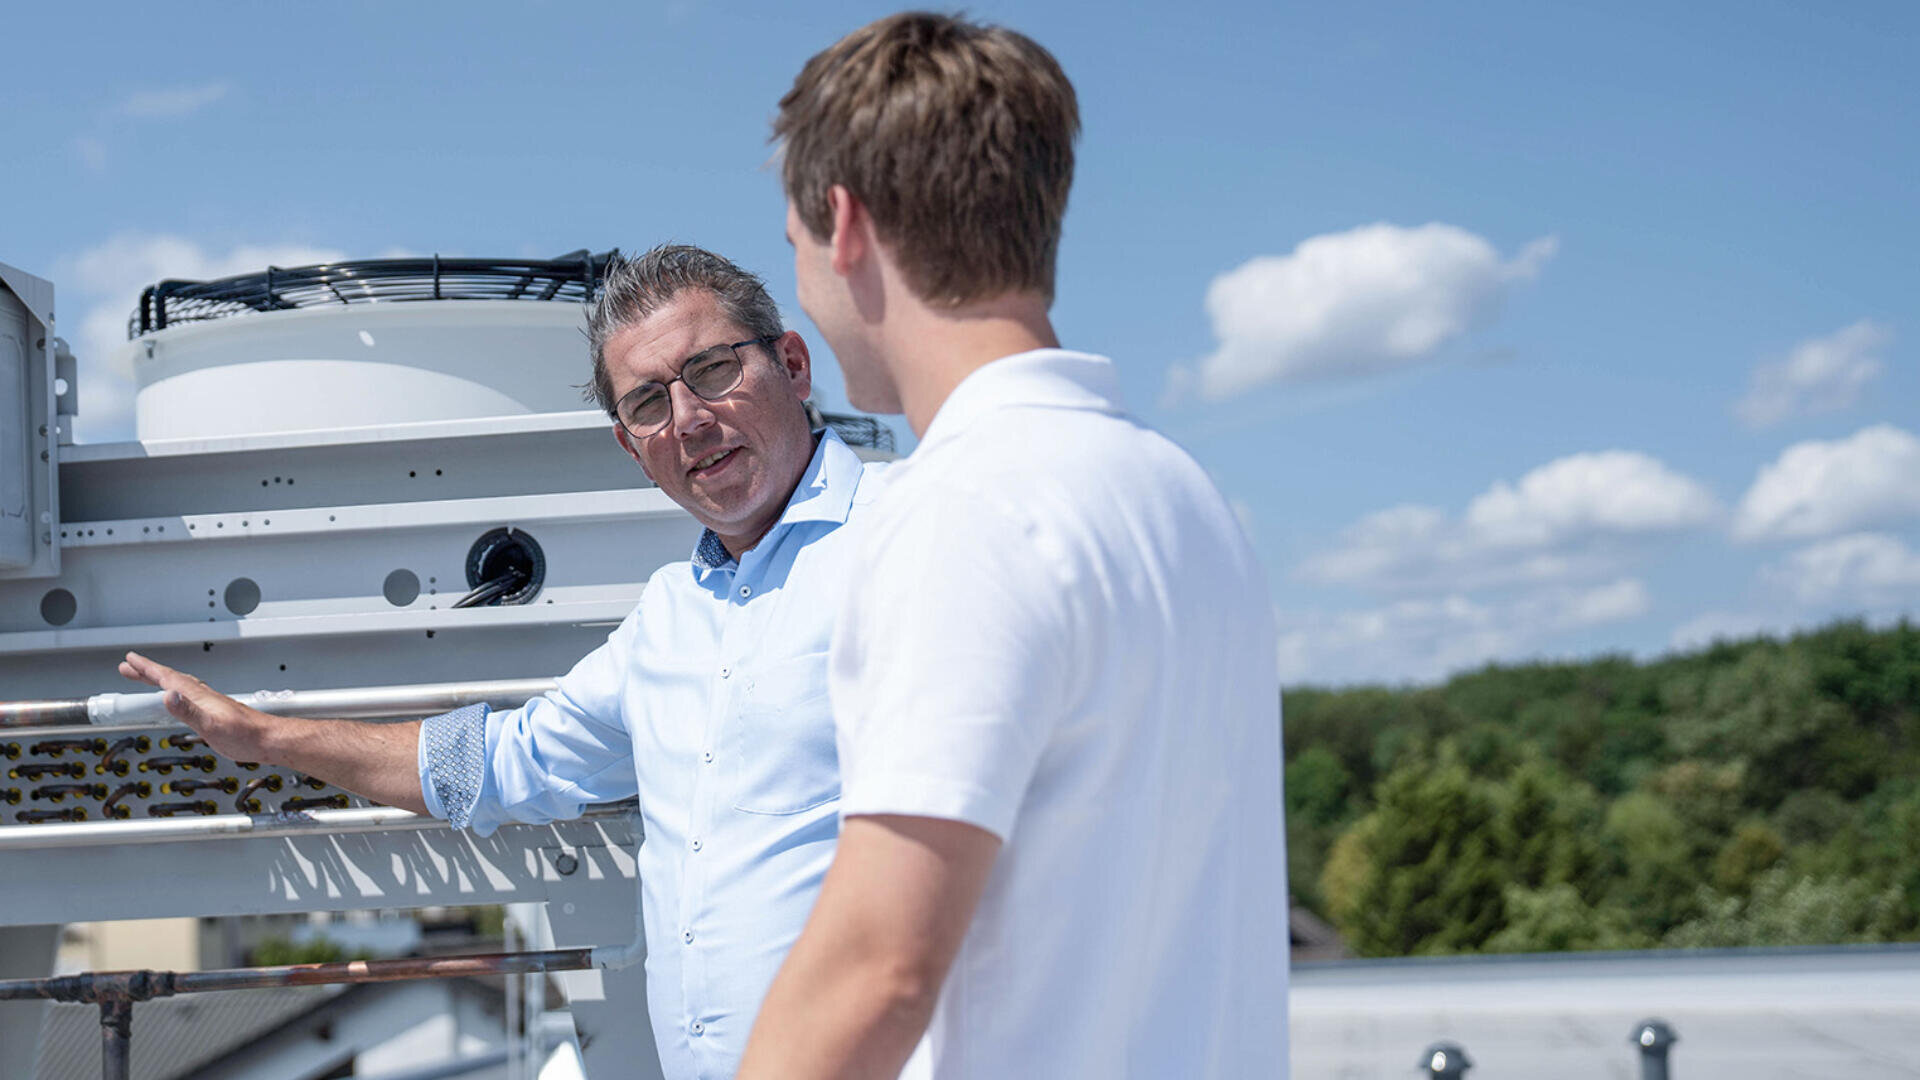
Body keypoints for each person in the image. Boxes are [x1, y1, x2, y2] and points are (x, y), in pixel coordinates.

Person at [118, 243, 887, 1080]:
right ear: (632, 449)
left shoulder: (905, 543)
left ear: (793, 364)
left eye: (709, 370)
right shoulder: (672, 617)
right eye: (647, 404)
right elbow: (496, 765)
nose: (690, 420)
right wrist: (264, 736)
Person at [736, 13, 1288, 1080]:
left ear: (844, 225)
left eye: (794, 243)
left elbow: (875, 972)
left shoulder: (962, 510)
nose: (801, 275)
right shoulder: (1185, 500)